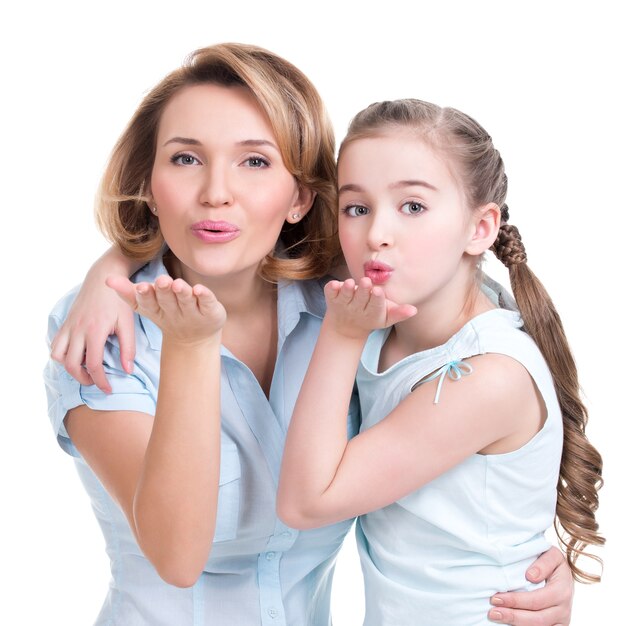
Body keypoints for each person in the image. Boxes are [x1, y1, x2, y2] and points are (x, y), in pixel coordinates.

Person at [45, 44, 575, 625]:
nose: (216, 192)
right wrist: (133, 287)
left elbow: (464, 307)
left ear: (300, 197)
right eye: (186, 159)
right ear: (148, 182)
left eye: (254, 162)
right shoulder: (104, 331)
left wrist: (520, 558)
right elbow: (177, 556)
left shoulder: (341, 304)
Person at [276, 98, 603, 625]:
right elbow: (234, 243)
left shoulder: (488, 376)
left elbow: (306, 503)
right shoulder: (402, 287)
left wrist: (341, 335)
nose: (377, 232)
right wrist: (115, 267)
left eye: (413, 207)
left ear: (479, 229)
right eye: (357, 208)